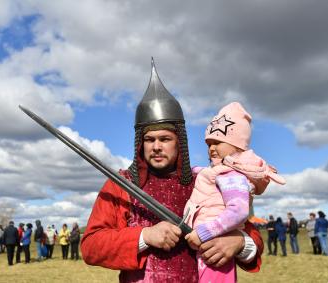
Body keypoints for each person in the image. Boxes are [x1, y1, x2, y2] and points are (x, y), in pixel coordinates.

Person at [81, 60, 263, 282]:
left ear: (180, 142)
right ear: (141, 143)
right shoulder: (122, 185)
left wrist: (239, 242)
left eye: (165, 139)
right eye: (149, 139)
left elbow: (249, 230)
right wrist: (144, 235)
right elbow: (91, 245)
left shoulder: (206, 180)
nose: (156, 146)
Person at [184, 102, 285, 282]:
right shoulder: (221, 171)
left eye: (217, 142)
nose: (211, 148)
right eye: (209, 143)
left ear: (237, 146)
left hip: (215, 247)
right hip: (207, 246)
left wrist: (203, 232)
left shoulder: (232, 176)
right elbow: (207, 174)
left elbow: (238, 211)